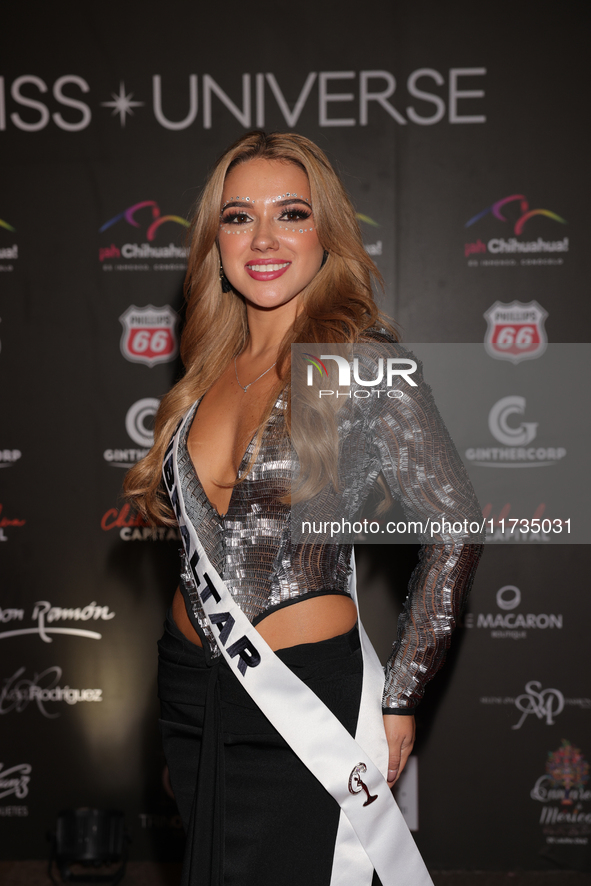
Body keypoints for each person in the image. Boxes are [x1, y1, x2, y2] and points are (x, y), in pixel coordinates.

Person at [124, 130, 483, 886]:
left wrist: (402, 695)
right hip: (193, 689)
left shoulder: (361, 361)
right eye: (236, 217)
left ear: (326, 233)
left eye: (289, 213)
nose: (261, 238)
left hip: (303, 695)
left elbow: (455, 525)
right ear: (213, 240)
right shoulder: (206, 371)